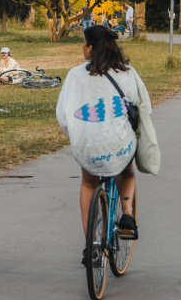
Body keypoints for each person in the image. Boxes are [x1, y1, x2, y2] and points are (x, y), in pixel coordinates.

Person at [56, 25, 153, 252]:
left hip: (88, 144)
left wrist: (76, 134)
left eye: (83, 43)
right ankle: (127, 214)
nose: (82, 46)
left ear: (90, 48)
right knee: (126, 171)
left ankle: (91, 243)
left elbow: (63, 114)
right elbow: (144, 106)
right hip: (120, 142)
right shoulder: (128, 73)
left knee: (89, 183)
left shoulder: (75, 76)